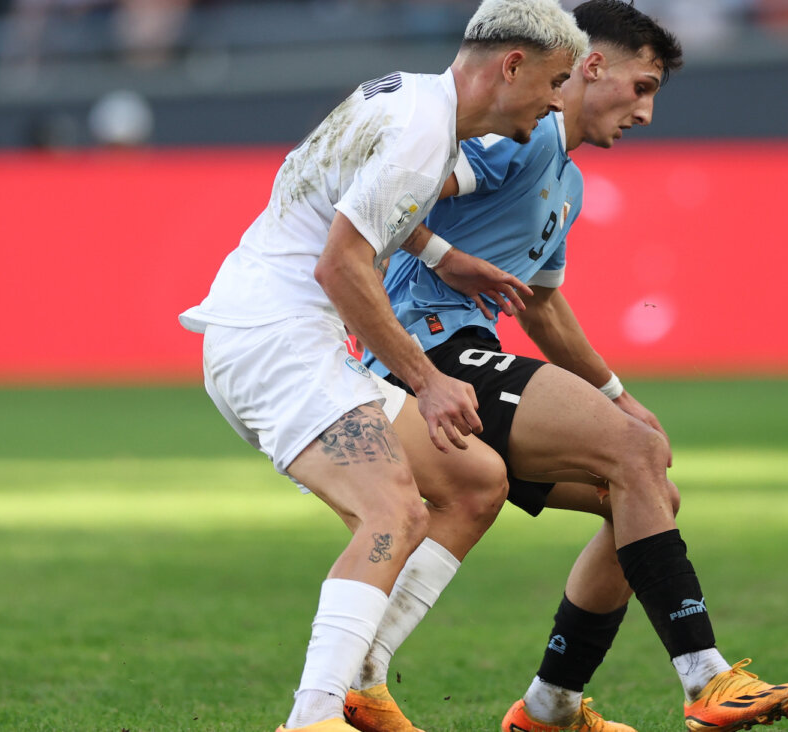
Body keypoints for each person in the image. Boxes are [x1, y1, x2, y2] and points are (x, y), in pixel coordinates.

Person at [355, 3, 788, 731]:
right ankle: (706, 679)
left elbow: (541, 308)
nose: (648, 112)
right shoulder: (516, 137)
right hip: (425, 351)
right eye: (643, 86)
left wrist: (616, 395)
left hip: (467, 351)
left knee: (642, 489)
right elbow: (384, 194)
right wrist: (446, 259)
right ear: (592, 66)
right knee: (634, 457)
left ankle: (549, 707)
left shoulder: (566, 183)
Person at [177, 2, 589, 731]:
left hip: (272, 334)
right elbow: (342, 266)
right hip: (275, 340)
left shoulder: (407, 96)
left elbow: (355, 204)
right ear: (512, 66)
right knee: (392, 510)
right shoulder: (422, 134)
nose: (558, 101)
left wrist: (444, 257)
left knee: (474, 481)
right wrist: (428, 381)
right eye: (555, 81)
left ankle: (361, 683)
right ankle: (313, 717)